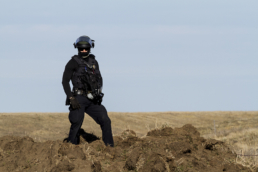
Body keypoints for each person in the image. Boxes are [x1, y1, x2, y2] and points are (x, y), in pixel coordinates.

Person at [62, 35, 114, 146]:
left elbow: (99, 79)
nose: (84, 50)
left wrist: (98, 94)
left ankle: (109, 147)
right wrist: (71, 98)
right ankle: (70, 148)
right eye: (81, 49)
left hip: (92, 98)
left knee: (105, 120)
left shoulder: (94, 62)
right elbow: (65, 81)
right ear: (77, 48)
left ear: (90, 48)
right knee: (76, 122)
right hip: (78, 98)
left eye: (86, 48)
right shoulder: (72, 62)